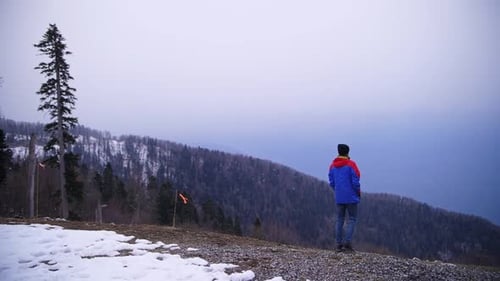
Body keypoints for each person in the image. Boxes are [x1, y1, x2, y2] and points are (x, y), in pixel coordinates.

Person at [328, 144, 361, 252]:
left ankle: (338, 244)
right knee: (352, 219)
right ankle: (347, 243)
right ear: (347, 152)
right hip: (351, 196)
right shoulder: (351, 164)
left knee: (340, 219)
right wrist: (357, 192)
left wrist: (338, 190)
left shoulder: (332, 165)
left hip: (339, 196)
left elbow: (332, 182)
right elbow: (356, 181)